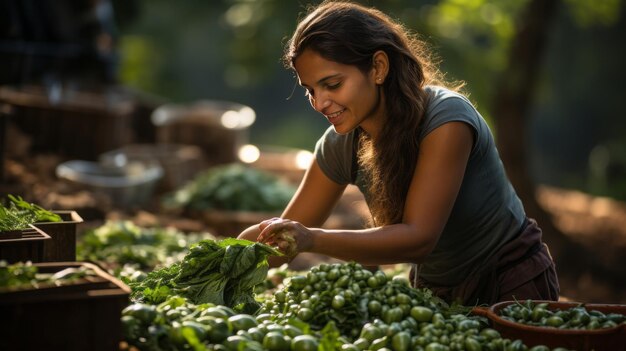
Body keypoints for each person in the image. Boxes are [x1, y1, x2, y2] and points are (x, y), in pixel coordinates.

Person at [238, 0, 559, 306]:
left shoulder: (446, 121)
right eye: (310, 90)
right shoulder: (341, 143)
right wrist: (226, 255)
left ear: (378, 68)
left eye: (332, 84)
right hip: (437, 293)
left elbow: (419, 239)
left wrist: (314, 240)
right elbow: (283, 236)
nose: (319, 103)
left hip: (510, 284)